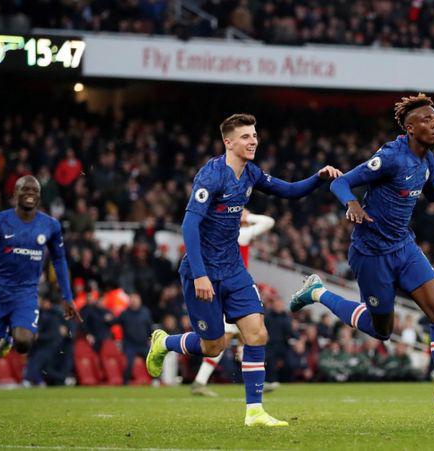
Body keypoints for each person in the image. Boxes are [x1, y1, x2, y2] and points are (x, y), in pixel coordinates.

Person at [290, 93, 434, 425]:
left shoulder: (427, 159)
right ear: (410, 128)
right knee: (381, 330)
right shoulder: (390, 157)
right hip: (371, 254)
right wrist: (351, 203)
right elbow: (341, 182)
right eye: (427, 120)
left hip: (404, 247)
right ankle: (318, 292)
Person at [146, 113, 341, 427]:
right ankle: (164, 343)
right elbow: (189, 226)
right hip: (202, 272)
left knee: (257, 333)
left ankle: (255, 412)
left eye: (254, 135)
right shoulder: (211, 176)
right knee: (213, 345)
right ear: (228, 142)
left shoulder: (251, 173)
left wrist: (319, 177)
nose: (253, 141)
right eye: (246, 137)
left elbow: (290, 190)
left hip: (234, 269)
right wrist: (200, 274)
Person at [0, 175, 81, 413]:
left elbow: (60, 261)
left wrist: (67, 297)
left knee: (23, 343)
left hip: (26, 293)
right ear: (15, 194)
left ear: (39, 196)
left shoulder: (50, 225)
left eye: (34, 190)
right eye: (25, 189)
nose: (30, 193)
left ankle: (9, 339)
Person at [191, 209, 275, 397]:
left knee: (246, 339)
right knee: (225, 340)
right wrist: (248, 216)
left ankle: (255, 381)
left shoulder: (221, 235)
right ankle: (200, 381)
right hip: (235, 293)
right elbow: (268, 221)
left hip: (224, 290)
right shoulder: (241, 234)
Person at [113, 293, 153, 385]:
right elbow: (114, 322)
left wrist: (151, 339)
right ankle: (125, 382)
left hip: (143, 344)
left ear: (140, 301)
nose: (134, 302)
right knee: (128, 363)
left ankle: (156, 380)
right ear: (129, 301)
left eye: (136, 300)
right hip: (129, 345)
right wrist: (107, 318)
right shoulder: (124, 313)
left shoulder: (145, 312)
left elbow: (149, 328)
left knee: (151, 361)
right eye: (132, 300)